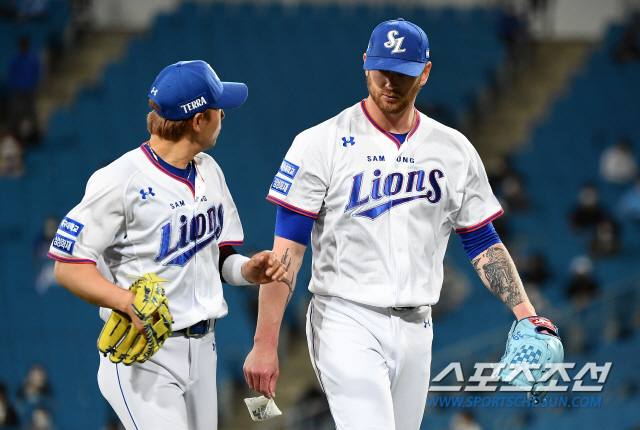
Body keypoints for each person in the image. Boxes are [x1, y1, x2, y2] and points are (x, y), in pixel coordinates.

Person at [243, 19, 555, 429]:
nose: (389, 83)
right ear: (365, 65)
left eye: (402, 73)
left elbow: (482, 241)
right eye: (381, 71)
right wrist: (265, 342)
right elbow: (287, 254)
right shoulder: (320, 143)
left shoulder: (453, 150)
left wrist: (526, 313)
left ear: (425, 73)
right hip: (344, 319)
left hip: (417, 326)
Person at [49, 60, 287, 430]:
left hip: (204, 349)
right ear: (198, 121)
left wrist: (246, 270)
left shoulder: (209, 170)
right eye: (218, 108)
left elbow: (219, 256)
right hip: (146, 356)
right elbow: (67, 266)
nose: (224, 114)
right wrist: (124, 301)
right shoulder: (120, 180)